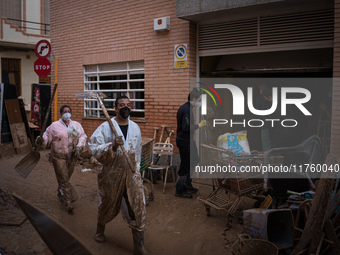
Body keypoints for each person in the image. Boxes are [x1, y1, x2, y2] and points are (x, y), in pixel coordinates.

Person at [88, 95, 147, 254]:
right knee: (106, 204)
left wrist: (138, 171)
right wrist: (112, 145)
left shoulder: (135, 127)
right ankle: (100, 229)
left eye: (128, 105)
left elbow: (138, 151)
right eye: (122, 105)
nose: (125, 107)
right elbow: (93, 148)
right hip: (111, 174)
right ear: (116, 108)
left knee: (137, 207)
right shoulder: (106, 127)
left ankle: (139, 245)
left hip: (131, 174)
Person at [35, 105, 87, 213]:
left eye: (68, 111)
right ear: (61, 114)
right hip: (58, 156)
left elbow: (83, 136)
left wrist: (79, 146)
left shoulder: (76, 125)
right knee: (64, 179)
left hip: (72, 157)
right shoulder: (54, 126)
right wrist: (40, 140)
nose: (67, 113)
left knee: (65, 178)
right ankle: (68, 202)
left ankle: (60, 192)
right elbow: (45, 137)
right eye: (64, 111)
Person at [175, 88, 206, 199]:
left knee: (194, 160)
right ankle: (180, 189)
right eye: (199, 99)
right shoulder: (186, 109)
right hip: (184, 141)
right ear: (194, 98)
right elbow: (185, 127)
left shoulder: (188, 108)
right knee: (185, 165)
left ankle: (187, 184)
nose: (200, 102)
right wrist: (199, 125)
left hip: (188, 140)